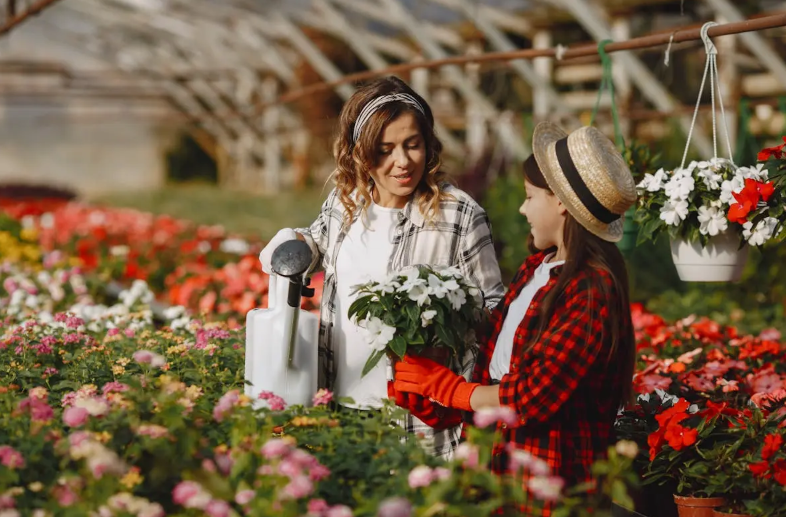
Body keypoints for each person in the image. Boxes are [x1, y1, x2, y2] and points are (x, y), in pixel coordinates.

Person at [393, 122, 637, 514]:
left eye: (528, 197)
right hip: (499, 471)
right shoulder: (536, 269)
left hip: (549, 482)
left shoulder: (592, 290)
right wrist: (435, 398)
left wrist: (451, 390)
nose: (522, 208)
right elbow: (495, 370)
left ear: (560, 202)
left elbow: (531, 396)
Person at [259, 75, 505, 459]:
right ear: (360, 153)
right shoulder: (346, 205)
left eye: (413, 145)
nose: (402, 162)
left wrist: (445, 330)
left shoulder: (458, 214)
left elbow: (495, 309)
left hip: (418, 422)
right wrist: (292, 242)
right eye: (385, 149)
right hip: (341, 409)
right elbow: (316, 239)